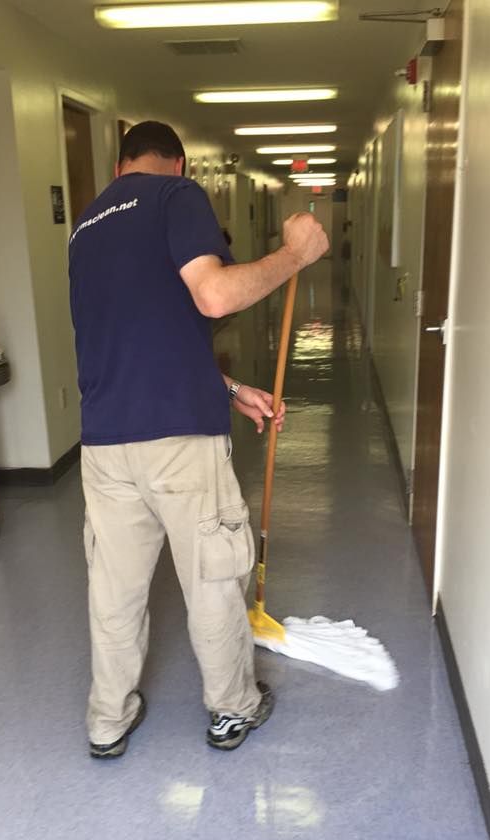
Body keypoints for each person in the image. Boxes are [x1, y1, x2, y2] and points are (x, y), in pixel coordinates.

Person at [68, 120, 328, 757]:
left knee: (115, 589)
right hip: (180, 444)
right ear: (179, 165)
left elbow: (147, 338)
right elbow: (212, 297)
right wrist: (295, 254)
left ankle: (108, 719)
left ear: (119, 166)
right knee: (213, 578)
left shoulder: (86, 226)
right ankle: (233, 708)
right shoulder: (174, 197)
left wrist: (230, 388)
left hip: (105, 444)